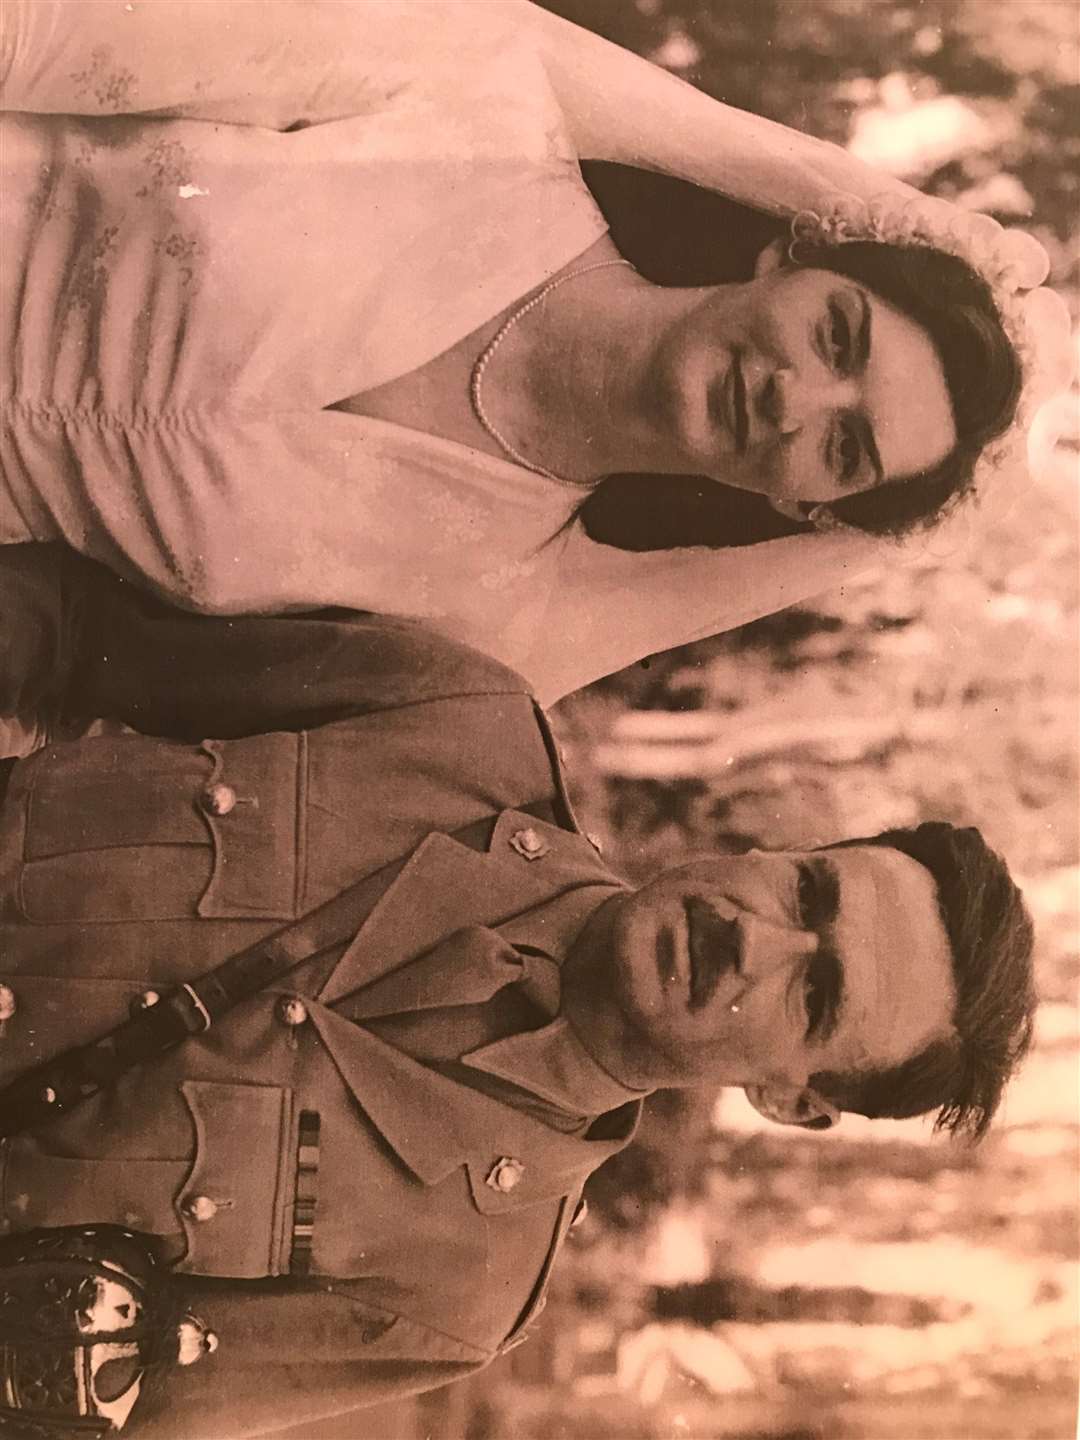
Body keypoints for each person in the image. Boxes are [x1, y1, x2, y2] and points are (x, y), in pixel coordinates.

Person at [0, 547, 1036, 1438]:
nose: (750, 936)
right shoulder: (460, 722)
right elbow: (75, 631)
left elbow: (76, 1408)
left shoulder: (457, 1291)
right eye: (806, 887)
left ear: (791, 1098)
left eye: (813, 994)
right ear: (782, 845)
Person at [0, 1, 1070, 706]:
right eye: (838, 334)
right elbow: (43, 34)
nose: (797, 400)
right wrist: (870, 201)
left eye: (845, 449)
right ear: (795, 250)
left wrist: (913, 525)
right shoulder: (474, 105)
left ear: (806, 510)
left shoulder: (505, 601)